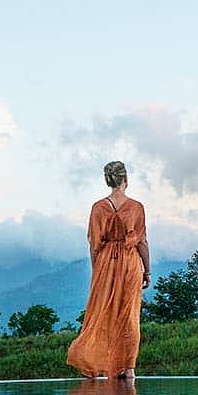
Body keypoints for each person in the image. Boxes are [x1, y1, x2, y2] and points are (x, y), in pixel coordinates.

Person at [67, 161, 150, 379]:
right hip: (130, 263)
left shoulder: (98, 208)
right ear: (126, 179)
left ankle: (100, 363)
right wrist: (147, 271)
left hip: (105, 262)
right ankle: (128, 368)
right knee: (130, 316)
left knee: (104, 312)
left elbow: (94, 243)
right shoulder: (136, 207)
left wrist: (97, 270)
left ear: (107, 180)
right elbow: (142, 241)